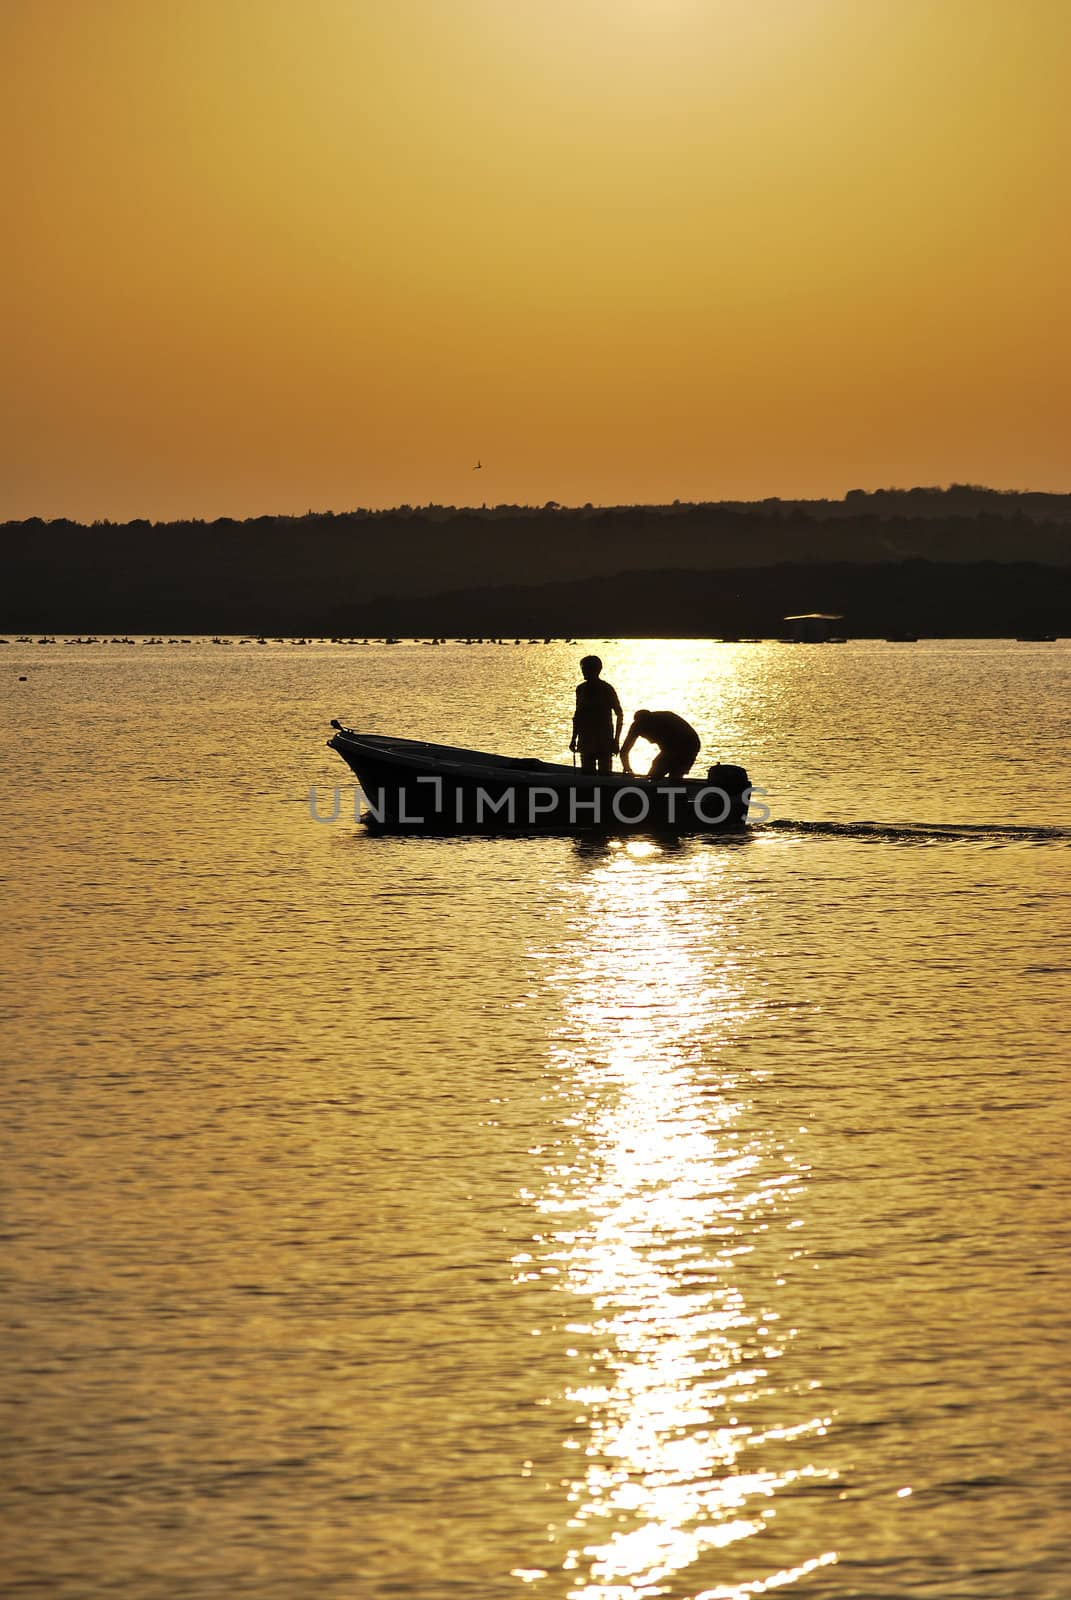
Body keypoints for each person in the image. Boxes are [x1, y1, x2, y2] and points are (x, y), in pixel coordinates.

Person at [570, 655, 623, 775]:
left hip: (604, 740)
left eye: (585, 668)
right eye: (582, 668)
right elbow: (578, 715)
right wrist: (573, 738)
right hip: (585, 740)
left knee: (605, 776)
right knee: (587, 776)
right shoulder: (581, 689)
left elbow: (619, 714)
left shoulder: (607, 689)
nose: (583, 671)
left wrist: (616, 740)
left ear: (595, 670)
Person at [619, 709, 701, 780]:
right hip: (672, 746)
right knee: (655, 772)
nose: (645, 737)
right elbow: (624, 751)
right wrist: (627, 768)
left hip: (690, 743)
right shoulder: (636, 727)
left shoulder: (663, 724)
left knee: (674, 774)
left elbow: (672, 754)